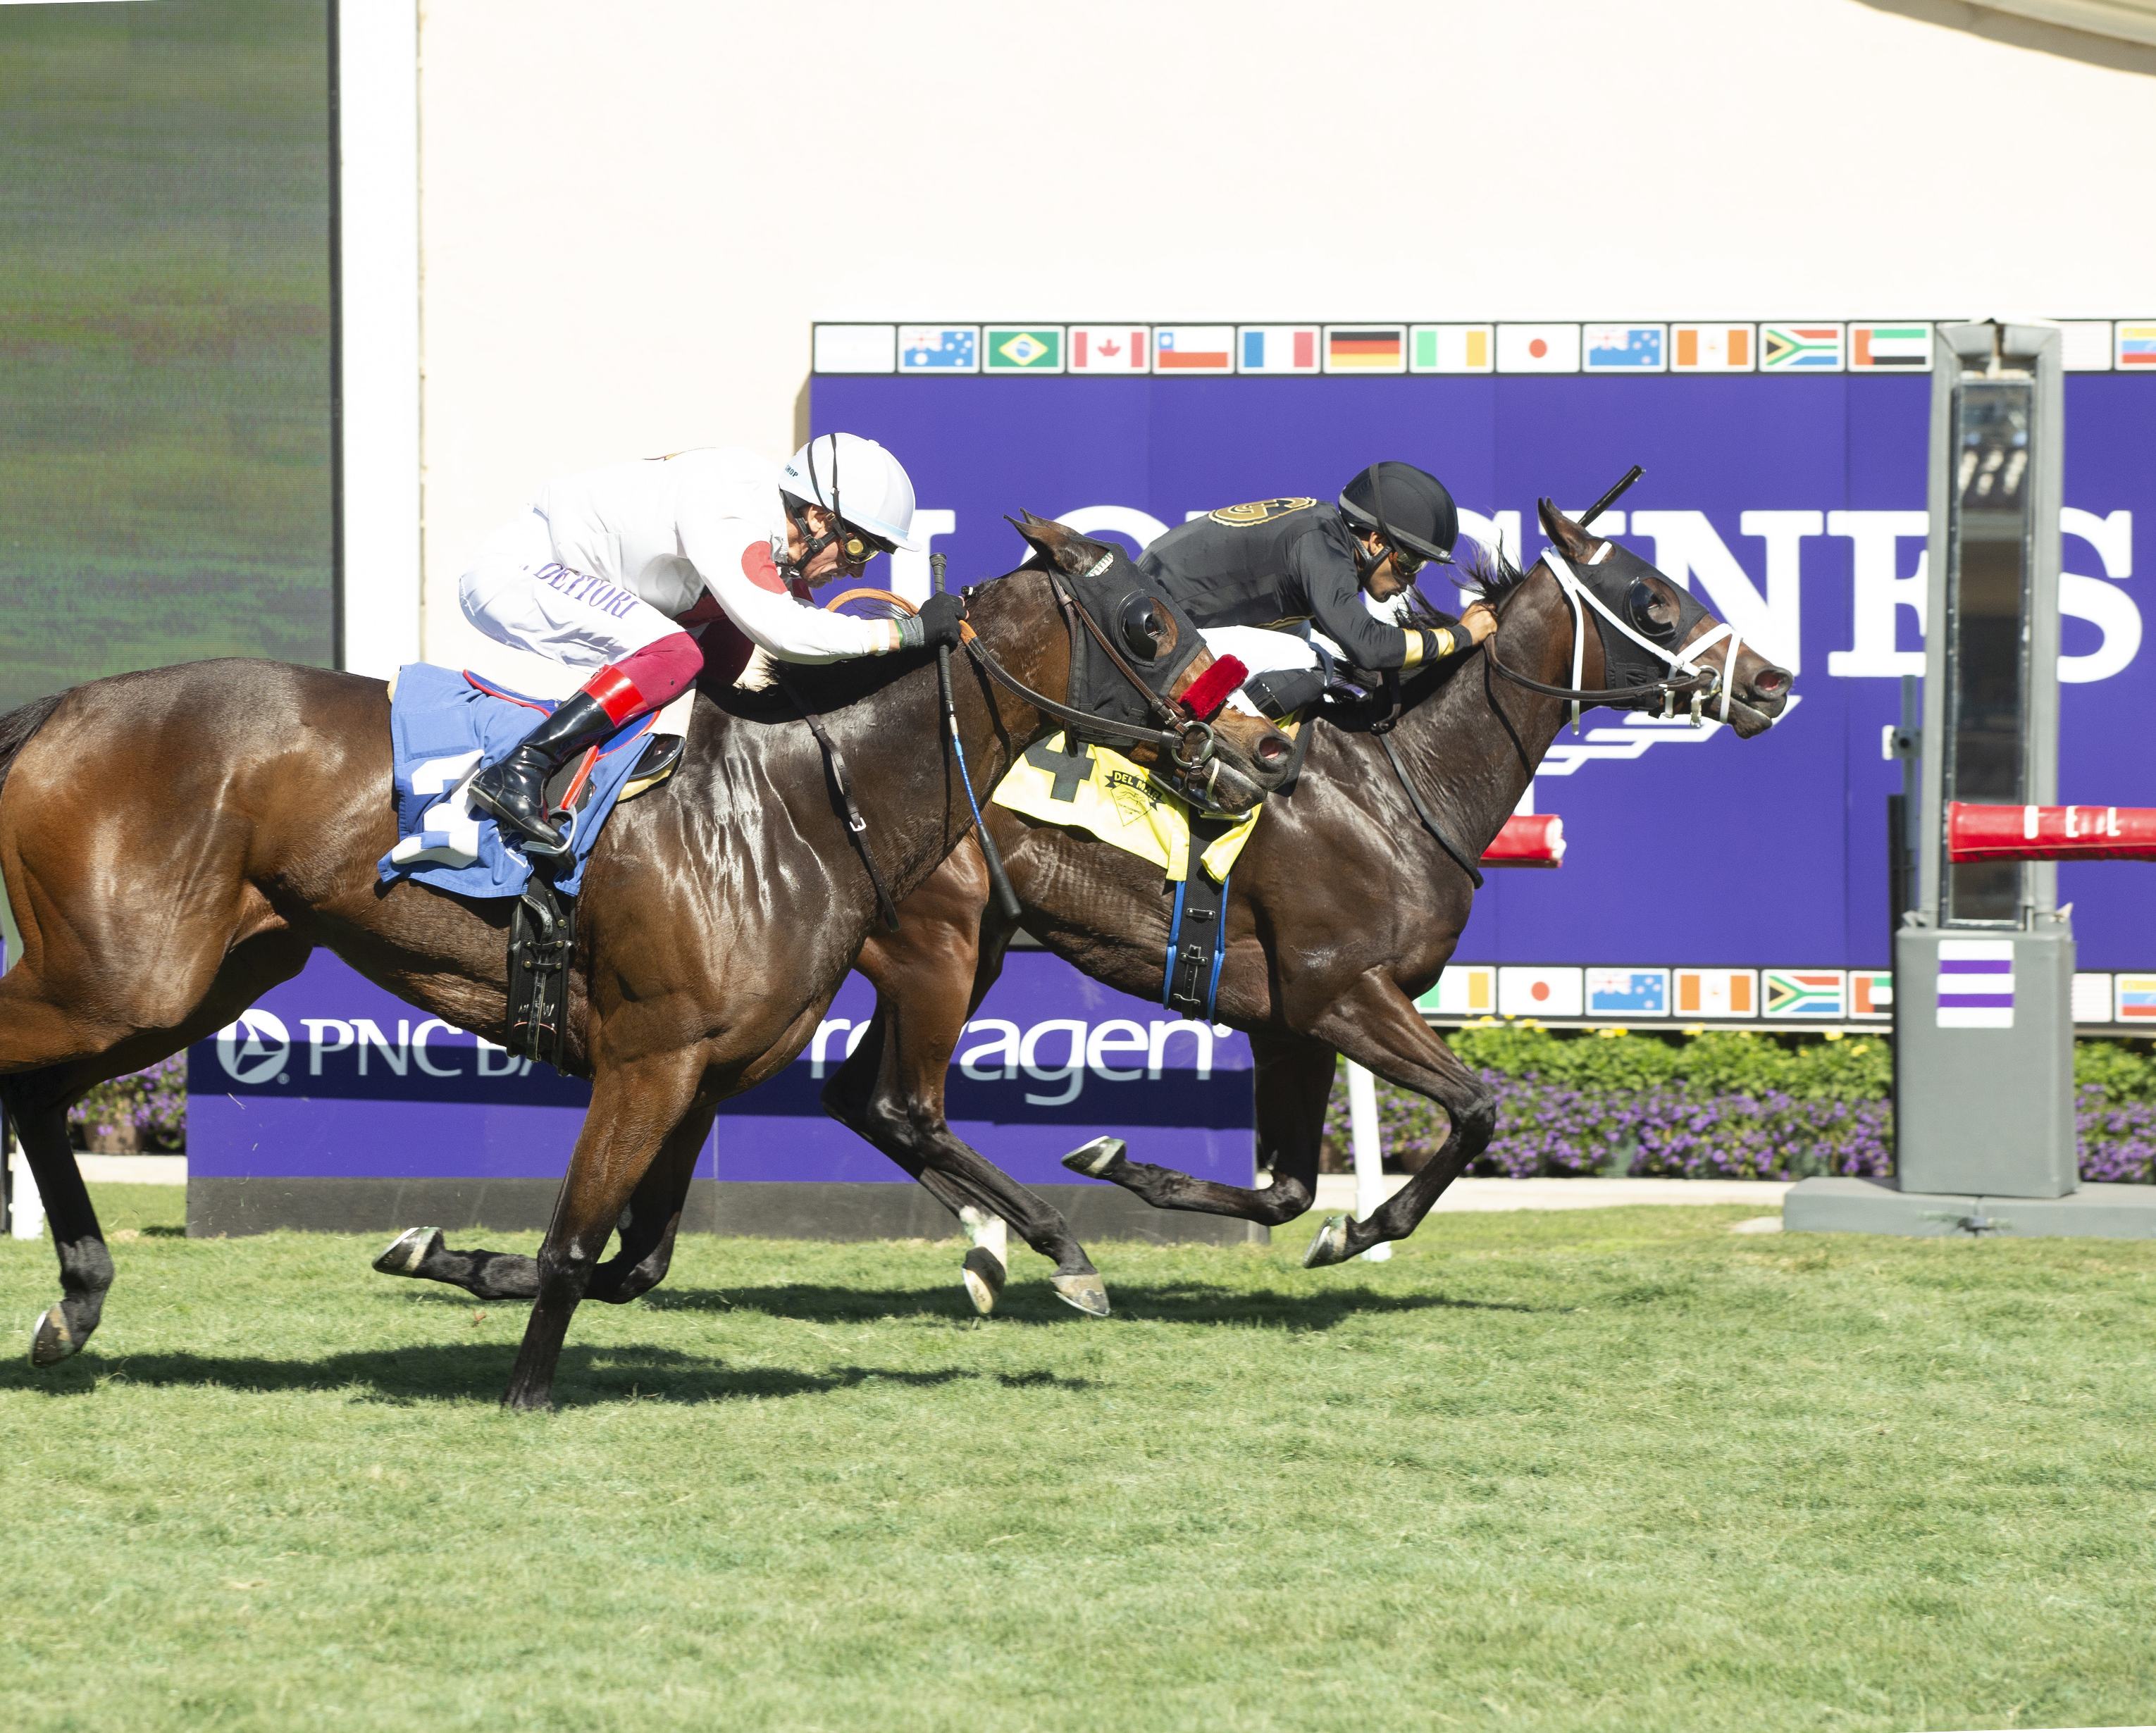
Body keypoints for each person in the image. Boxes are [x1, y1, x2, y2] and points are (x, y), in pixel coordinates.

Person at [457, 432, 966, 855]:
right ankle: (523, 767)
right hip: (517, 572)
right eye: (857, 545)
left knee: (723, 645)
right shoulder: (733, 509)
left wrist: (904, 639)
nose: (855, 567)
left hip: (571, 573)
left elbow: (798, 621)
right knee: (675, 652)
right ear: (815, 517)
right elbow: (785, 632)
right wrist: (907, 633)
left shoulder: (766, 518)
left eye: (869, 556)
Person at [1134, 461, 1497, 719]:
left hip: (1156, 613)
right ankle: (1204, 744)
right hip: (1156, 634)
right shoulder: (1322, 548)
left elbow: (1359, 644)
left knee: (1313, 639)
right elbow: (1369, 648)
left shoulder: (1326, 530)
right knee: (1313, 663)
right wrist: (1461, 636)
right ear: (1376, 541)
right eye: (1410, 563)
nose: (1411, 580)